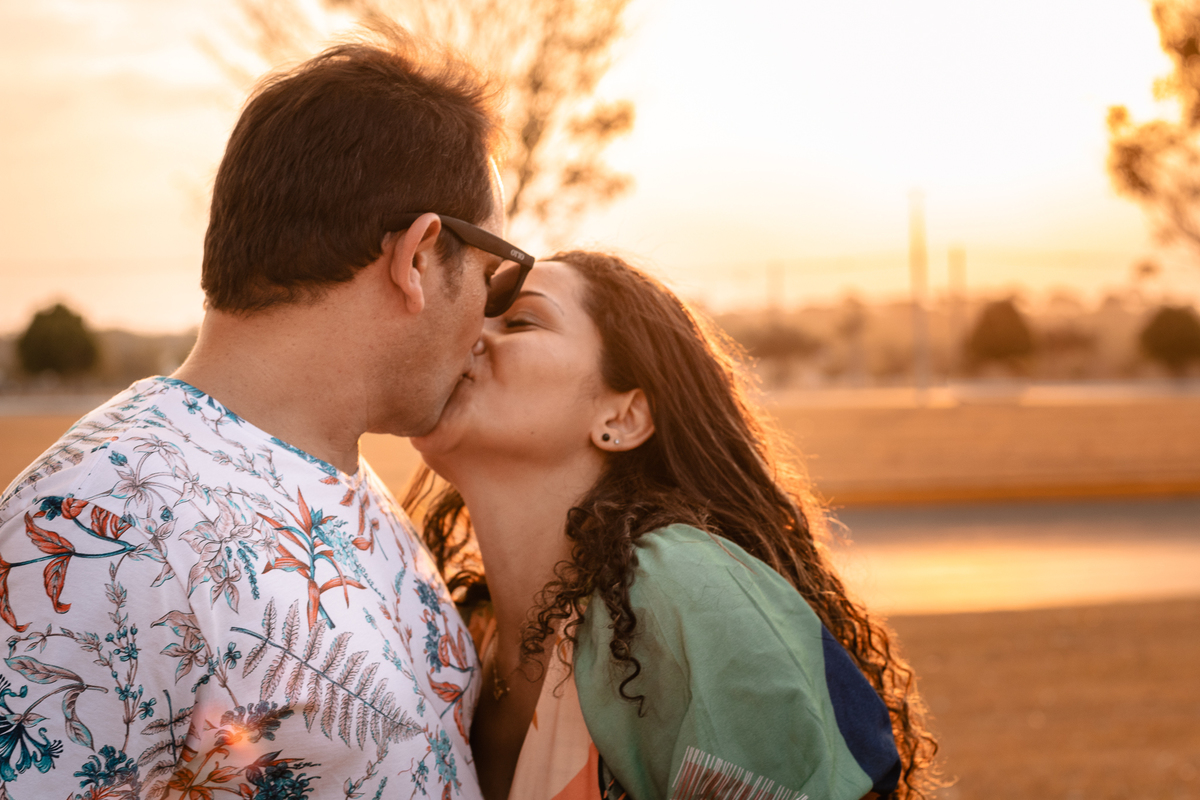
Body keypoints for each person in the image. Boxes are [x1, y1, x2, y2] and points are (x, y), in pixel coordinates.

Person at [0, 32, 535, 800]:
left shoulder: (346, 486)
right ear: (418, 257)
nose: (488, 323)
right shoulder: (101, 525)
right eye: (494, 278)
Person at [406, 252, 940, 800]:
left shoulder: (679, 591)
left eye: (521, 321)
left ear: (622, 417)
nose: (469, 334)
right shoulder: (459, 632)